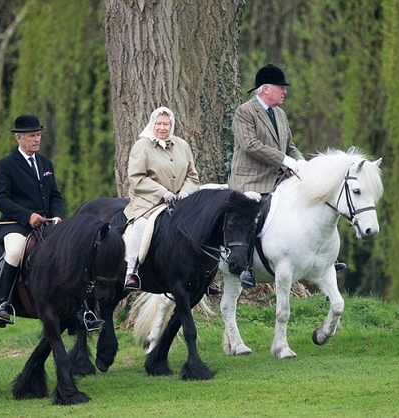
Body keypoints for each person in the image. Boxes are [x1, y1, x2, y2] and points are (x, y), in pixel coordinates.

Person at [228, 64, 346, 288]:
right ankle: (246, 267)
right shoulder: (244, 112)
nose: (285, 91)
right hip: (251, 179)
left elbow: (289, 145)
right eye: (281, 87)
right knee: (254, 213)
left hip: (279, 177)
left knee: (311, 202)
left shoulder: (280, 114)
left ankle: (324, 259)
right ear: (265, 88)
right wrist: (284, 160)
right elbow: (250, 145)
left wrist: (301, 163)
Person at [0, 114, 64, 327]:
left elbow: (55, 195)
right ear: (19, 139)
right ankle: (2, 304)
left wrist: (58, 215)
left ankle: (80, 309)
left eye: (39, 135)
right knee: (15, 252)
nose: (37, 139)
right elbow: (1, 199)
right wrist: (27, 216)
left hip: (46, 225)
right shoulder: (6, 165)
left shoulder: (45, 163)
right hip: (16, 225)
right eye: (32, 136)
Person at [123, 106, 200, 291]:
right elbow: (136, 178)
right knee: (140, 225)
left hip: (180, 202)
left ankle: (202, 275)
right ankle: (131, 271)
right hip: (149, 201)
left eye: (166, 124)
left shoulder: (182, 145)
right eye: (159, 123)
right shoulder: (142, 145)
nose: (162, 128)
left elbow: (192, 176)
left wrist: (186, 192)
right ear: (152, 124)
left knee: (200, 226)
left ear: (172, 125)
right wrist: (161, 192)